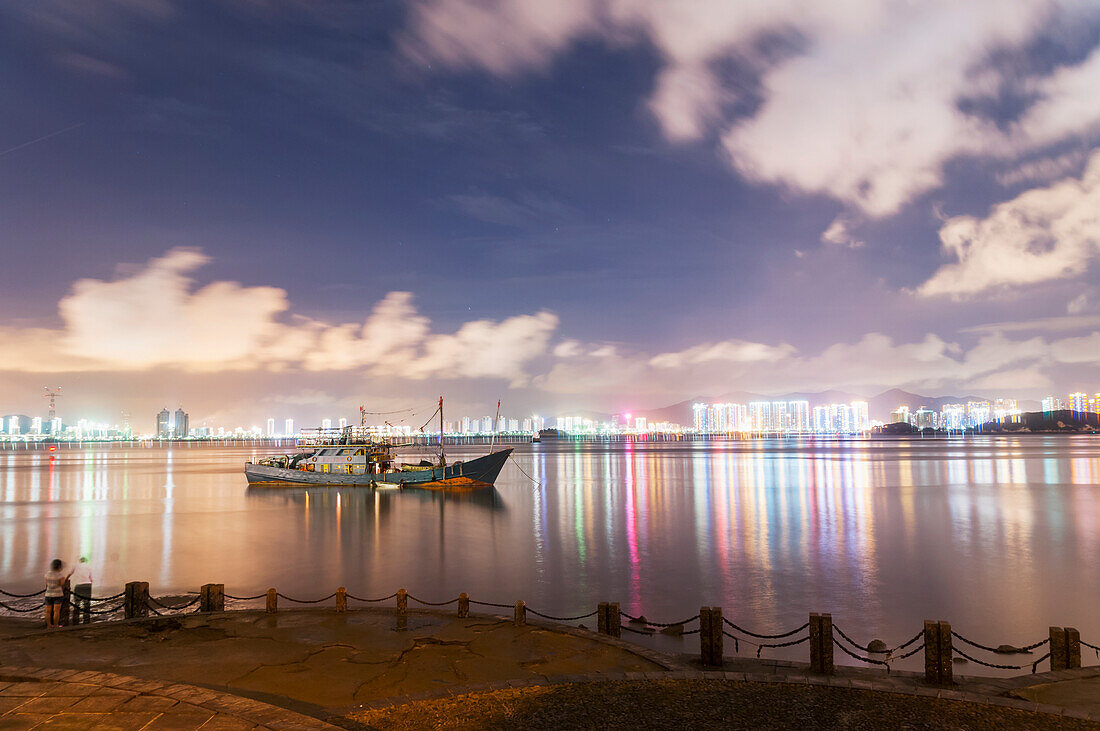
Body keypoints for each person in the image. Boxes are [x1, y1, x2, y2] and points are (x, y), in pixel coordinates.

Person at [44, 559, 73, 629]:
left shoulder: (47, 574)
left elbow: (46, 584)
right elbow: (62, 584)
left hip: (48, 594)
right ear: (59, 566)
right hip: (58, 594)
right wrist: (67, 576)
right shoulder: (60, 575)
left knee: (48, 611)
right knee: (56, 611)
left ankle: (49, 625)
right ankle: (56, 625)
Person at [71, 556, 93, 624]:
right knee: (87, 604)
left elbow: (69, 573)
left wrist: (66, 580)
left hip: (79, 585)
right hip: (87, 585)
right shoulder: (89, 566)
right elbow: (91, 578)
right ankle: (86, 620)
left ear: (80, 561)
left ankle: (75, 620)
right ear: (86, 561)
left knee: (77, 603)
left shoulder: (76, 566)